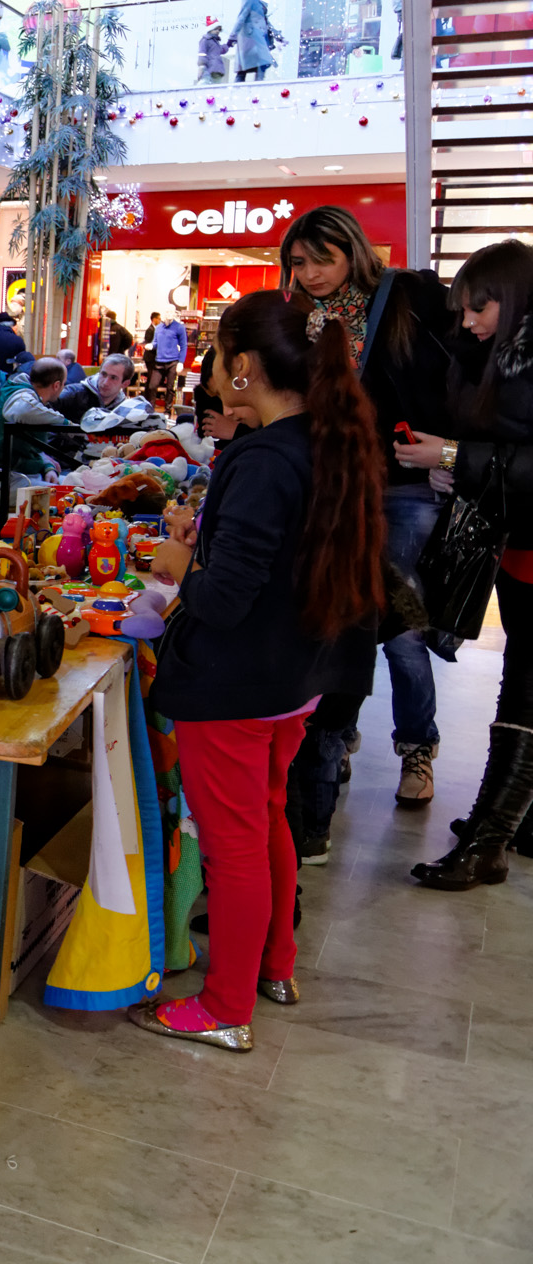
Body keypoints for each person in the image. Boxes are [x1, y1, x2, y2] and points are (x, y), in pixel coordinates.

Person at [136, 290, 382, 1050]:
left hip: (235, 685)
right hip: (291, 680)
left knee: (232, 843)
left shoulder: (266, 460)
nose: (212, 370)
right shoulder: (325, 441)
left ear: (241, 368)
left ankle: (224, 1005)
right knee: (266, 819)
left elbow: (228, 594)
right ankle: (275, 965)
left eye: (216, 357)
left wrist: (178, 565)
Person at [278, 206, 455, 849]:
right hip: (332, 490)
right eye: (299, 262)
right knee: (334, 614)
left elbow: (450, 371)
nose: (311, 273)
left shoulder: (402, 299)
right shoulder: (298, 318)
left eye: (323, 259)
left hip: (404, 486)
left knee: (401, 626)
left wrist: (452, 446)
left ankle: (416, 747)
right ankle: (336, 734)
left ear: (352, 252)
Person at [401, 240, 533, 890]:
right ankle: (496, 826)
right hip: (518, 546)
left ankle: (488, 841)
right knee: (519, 688)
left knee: (524, 697)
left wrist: (451, 457)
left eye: (476, 306)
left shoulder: (524, 358)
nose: (469, 320)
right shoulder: (502, 356)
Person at [0, 358, 70, 492]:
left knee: (75, 487)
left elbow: (30, 449)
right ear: (56, 385)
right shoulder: (22, 398)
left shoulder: (30, 399)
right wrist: (67, 424)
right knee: (69, 493)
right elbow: (21, 410)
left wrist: (47, 467)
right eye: (64, 384)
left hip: (13, 475)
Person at [56, 353, 138, 421]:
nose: (105, 382)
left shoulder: (124, 409)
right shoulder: (73, 393)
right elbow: (44, 409)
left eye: (113, 378)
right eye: (103, 374)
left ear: (125, 384)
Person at [232, 0, 279, 80]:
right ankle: (253, 87)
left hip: (257, 42)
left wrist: (279, 36)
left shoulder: (260, 8)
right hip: (251, 41)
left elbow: (268, 24)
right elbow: (241, 18)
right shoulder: (250, 2)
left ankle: (256, 86)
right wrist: (232, 36)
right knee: (246, 69)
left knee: (260, 66)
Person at [153, 307, 189, 405]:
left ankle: (167, 410)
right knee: (152, 386)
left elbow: (183, 345)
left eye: (171, 312)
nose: (169, 314)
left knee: (170, 387)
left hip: (173, 361)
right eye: (167, 311)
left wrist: (181, 362)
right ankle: (150, 409)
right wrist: (151, 345)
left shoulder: (179, 327)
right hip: (159, 361)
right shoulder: (159, 328)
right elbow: (155, 342)